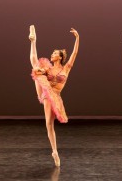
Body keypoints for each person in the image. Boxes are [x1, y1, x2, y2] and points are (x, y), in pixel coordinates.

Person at [29, 25, 79, 166]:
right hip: (45, 90)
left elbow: (74, 54)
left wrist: (77, 38)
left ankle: (54, 152)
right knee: (35, 65)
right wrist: (41, 71)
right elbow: (41, 72)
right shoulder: (48, 68)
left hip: (56, 96)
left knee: (50, 124)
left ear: (60, 57)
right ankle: (33, 40)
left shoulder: (66, 68)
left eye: (55, 53)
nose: (52, 54)